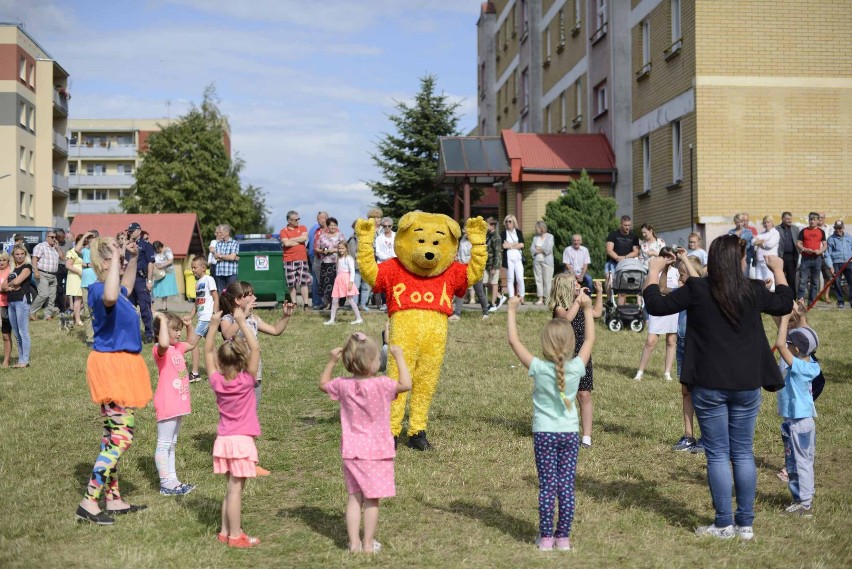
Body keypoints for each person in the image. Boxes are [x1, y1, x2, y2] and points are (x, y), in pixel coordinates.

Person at [643, 236, 793, 541]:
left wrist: (654, 270)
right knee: (742, 452)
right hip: (746, 383)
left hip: (709, 385)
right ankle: (745, 525)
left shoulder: (699, 289)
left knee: (718, 454)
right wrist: (779, 270)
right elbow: (784, 302)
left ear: (713, 259)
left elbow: (655, 305)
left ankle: (724, 523)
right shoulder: (752, 289)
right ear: (739, 261)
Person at [507, 291, 595, 552]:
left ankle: (546, 538)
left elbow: (514, 341)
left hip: (544, 434)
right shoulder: (578, 367)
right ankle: (563, 538)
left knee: (547, 487)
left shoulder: (538, 367)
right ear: (571, 344)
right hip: (569, 434)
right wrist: (587, 308)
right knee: (566, 487)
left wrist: (512, 309)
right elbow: (590, 337)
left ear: (544, 344)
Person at [76, 236, 153, 525]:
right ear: (103, 262)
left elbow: (126, 288)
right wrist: (116, 260)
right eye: (115, 258)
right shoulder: (98, 290)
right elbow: (110, 296)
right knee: (122, 436)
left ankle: (114, 498)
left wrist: (131, 259)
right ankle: (89, 501)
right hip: (111, 366)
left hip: (121, 365)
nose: (120, 262)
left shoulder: (115, 290)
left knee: (111, 436)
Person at [319, 332, 412, 554]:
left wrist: (331, 360)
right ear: (371, 363)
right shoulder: (383, 385)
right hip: (378, 451)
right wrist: (398, 357)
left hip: (351, 451)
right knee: (372, 500)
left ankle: (353, 544)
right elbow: (406, 384)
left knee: (354, 498)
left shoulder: (342, 385)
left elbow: (323, 384)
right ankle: (368, 544)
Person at [206, 308, 263, 548]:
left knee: (231, 488)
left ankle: (224, 530)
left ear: (220, 361)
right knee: (236, 490)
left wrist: (213, 325)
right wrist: (241, 320)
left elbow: (207, 350)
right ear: (243, 359)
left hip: (224, 440)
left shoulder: (217, 381)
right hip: (241, 442)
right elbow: (256, 349)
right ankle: (236, 535)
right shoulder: (247, 379)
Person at [548, 273, 604, 448]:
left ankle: (586, 436)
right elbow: (566, 320)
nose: (578, 285)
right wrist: (579, 301)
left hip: (582, 351)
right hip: (565, 353)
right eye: (574, 284)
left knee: (584, 393)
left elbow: (596, 313)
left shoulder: (579, 303)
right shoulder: (559, 307)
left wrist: (599, 293)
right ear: (565, 288)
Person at [774, 316, 820, 517]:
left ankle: (805, 504)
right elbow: (811, 339)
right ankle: (803, 499)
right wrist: (800, 316)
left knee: (799, 462)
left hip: (799, 423)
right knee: (801, 462)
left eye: (790, 344)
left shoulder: (799, 367)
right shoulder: (809, 364)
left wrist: (784, 320)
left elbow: (779, 344)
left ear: (797, 350)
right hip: (800, 421)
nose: (787, 345)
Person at [152, 311, 199, 496]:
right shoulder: (159, 349)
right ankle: (165, 483)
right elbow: (163, 342)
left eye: (179, 330)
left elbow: (193, 343)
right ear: (161, 331)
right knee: (164, 444)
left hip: (178, 404)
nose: (178, 334)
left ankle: (173, 481)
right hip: (167, 403)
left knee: (172, 443)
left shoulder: (177, 348)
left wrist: (188, 326)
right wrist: (162, 320)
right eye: (175, 330)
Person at [670, 253, 706, 453]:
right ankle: (688, 435)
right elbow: (662, 290)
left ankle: (706, 437)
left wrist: (684, 260)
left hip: (697, 348)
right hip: (683, 346)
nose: (679, 279)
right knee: (686, 392)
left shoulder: (700, 291)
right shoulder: (682, 292)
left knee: (700, 393)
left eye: (681, 275)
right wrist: (665, 268)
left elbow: (697, 280)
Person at [633, 246, 679, 381]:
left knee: (671, 340)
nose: (668, 259)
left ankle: (667, 373)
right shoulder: (654, 271)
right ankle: (640, 371)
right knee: (651, 341)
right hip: (657, 307)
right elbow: (645, 289)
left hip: (672, 308)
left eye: (670, 256)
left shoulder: (677, 272)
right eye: (665, 256)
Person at [0, 245, 33, 368]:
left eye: (22, 254)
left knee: (23, 331)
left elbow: (17, 281)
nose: (19, 256)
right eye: (17, 254)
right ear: (13, 255)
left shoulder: (27, 267)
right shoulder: (12, 268)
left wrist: (9, 285)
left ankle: (25, 360)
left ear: (25, 254)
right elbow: (2, 287)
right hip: (11, 302)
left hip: (21, 300)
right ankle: (21, 359)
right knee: (16, 333)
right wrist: (9, 286)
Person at [450, 225, 491, 321]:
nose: (465, 232)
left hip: (474, 269)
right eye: (465, 230)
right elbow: (460, 254)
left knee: (479, 291)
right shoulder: (463, 240)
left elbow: (478, 256)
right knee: (460, 291)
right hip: (462, 268)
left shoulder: (476, 242)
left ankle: (486, 312)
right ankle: (457, 314)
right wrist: (457, 259)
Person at [189, 257, 219, 382]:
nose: (193, 270)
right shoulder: (197, 283)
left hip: (207, 318)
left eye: (195, 267)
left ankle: (195, 374)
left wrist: (215, 314)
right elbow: (197, 302)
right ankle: (220, 372)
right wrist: (190, 316)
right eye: (192, 267)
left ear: (203, 267)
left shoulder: (209, 279)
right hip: (202, 317)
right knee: (211, 346)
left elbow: (216, 297)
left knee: (192, 344)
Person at [126, 222, 156, 343]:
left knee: (145, 307)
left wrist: (149, 280)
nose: (130, 233)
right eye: (129, 231)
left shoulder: (146, 245)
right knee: (129, 308)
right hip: (129, 280)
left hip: (140, 279)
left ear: (139, 231)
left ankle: (149, 333)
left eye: (132, 231)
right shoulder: (127, 245)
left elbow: (150, 263)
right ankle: (132, 333)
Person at [325, 242, 363, 325]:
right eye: (339, 248)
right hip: (338, 280)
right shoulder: (338, 258)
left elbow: (352, 271)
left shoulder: (349, 258)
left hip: (346, 280)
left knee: (350, 299)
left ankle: (359, 318)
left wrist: (351, 282)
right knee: (335, 300)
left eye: (342, 248)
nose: (340, 250)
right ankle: (332, 319)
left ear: (346, 248)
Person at [605, 215, 640, 305]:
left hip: (626, 263)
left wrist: (624, 258)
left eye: (629, 225)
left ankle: (621, 307)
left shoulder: (633, 237)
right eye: (625, 225)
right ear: (621, 224)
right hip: (612, 262)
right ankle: (609, 301)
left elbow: (636, 252)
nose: (627, 227)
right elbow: (609, 250)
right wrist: (617, 258)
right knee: (609, 280)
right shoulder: (613, 235)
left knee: (622, 286)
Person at [279, 210, 310, 310]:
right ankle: (294, 304)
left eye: (298, 219)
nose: (298, 221)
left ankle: (306, 305)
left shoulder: (303, 227)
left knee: (303, 283)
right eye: (295, 219)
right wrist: (298, 240)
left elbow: (304, 238)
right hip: (289, 260)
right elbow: (286, 244)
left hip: (302, 259)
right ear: (289, 220)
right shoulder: (283, 231)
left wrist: (291, 240)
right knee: (291, 284)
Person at [30, 229, 62, 321]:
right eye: (52, 237)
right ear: (46, 237)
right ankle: (31, 312)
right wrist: (35, 271)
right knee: (43, 294)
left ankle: (47, 315)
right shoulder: (41, 246)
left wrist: (58, 247)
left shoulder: (55, 248)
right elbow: (34, 260)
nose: (54, 239)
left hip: (53, 275)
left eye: (56, 237)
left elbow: (63, 258)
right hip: (42, 273)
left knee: (52, 296)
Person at [315, 217, 346, 310]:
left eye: (334, 225)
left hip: (338, 263)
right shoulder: (322, 236)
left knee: (338, 283)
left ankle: (338, 303)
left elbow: (345, 247)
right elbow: (317, 248)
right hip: (326, 262)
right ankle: (328, 303)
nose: (333, 227)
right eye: (331, 225)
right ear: (327, 226)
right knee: (327, 284)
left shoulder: (340, 235)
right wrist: (324, 251)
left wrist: (335, 250)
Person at [796, 212, 826, 304]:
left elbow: (825, 245)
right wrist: (804, 249)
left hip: (817, 259)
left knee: (815, 282)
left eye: (814, 220)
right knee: (802, 281)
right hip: (806, 259)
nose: (812, 221)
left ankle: (811, 302)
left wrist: (820, 251)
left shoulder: (821, 231)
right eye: (810, 219)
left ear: (818, 221)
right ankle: (801, 301)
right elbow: (798, 243)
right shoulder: (804, 231)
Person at [826, 220, 852, 308]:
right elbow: (827, 254)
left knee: (851, 281)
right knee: (837, 282)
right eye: (836, 228)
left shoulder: (849, 237)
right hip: (836, 263)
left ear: (843, 228)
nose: (838, 230)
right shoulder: (830, 239)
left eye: (840, 228)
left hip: (849, 263)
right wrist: (830, 266)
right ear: (834, 228)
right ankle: (840, 301)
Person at [501, 215, 525, 304]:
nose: (508, 223)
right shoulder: (503, 233)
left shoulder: (518, 232)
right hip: (508, 258)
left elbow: (522, 245)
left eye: (510, 221)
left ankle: (521, 296)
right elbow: (504, 246)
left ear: (514, 222)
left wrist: (510, 245)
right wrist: (515, 244)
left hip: (518, 258)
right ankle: (511, 296)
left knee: (520, 278)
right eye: (506, 221)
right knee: (510, 278)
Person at [80, 231, 98, 348]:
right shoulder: (84, 250)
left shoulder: (100, 251)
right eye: (89, 238)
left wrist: (87, 264)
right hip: (85, 284)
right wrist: (84, 236)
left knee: (97, 311)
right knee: (87, 312)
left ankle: (99, 335)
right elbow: (76, 249)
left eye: (92, 238)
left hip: (97, 284)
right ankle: (90, 338)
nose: (90, 240)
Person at [530, 221, 555, 305]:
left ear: (542, 228)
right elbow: (532, 249)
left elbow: (548, 249)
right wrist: (540, 249)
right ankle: (540, 298)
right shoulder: (535, 238)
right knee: (538, 280)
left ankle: (547, 298)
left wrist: (538, 248)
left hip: (547, 262)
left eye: (537, 227)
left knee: (547, 280)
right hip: (537, 261)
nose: (536, 229)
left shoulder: (550, 236)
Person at [308, 212, 329, 310]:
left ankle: (327, 302)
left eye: (321, 218)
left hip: (329, 258)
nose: (319, 220)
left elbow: (331, 245)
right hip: (316, 257)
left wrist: (324, 250)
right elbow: (314, 245)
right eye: (318, 218)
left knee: (327, 281)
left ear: (326, 219)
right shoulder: (315, 229)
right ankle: (317, 302)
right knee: (317, 281)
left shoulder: (331, 229)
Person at [754, 215, 780, 287]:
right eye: (764, 222)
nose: (766, 224)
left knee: (769, 282)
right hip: (759, 261)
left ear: (772, 223)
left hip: (769, 261)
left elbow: (769, 245)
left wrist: (759, 242)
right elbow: (753, 242)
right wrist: (763, 241)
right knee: (759, 282)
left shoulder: (775, 233)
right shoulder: (761, 234)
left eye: (768, 222)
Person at [65, 233, 85, 326]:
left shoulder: (84, 252)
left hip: (83, 277)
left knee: (83, 298)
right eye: (83, 244)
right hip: (75, 276)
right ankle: (77, 319)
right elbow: (68, 265)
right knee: (78, 298)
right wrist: (79, 271)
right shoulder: (73, 252)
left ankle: (75, 314)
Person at [152, 241, 179, 311]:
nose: (157, 250)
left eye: (158, 249)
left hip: (167, 272)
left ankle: (164, 306)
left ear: (160, 246)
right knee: (157, 290)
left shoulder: (167, 250)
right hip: (158, 273)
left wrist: (161, 265)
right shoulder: (155, 253)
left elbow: (171, 260)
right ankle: (159, 306)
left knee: (165, 290)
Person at [213, 224, 240, 293]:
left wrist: (221, 256)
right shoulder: (218, 244)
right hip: (219, 273)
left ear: (227, 233)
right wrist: (229, 257)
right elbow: (216, 257)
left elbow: (232, 257)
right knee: (221, 294)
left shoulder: (234, 243)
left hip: (231, 273)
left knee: (232, 294)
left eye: (221, 232)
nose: (219, 234)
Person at [484, 217, 503, 311]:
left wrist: (495, 267)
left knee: (494, 283)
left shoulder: (496, 237)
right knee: (485, 283)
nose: (485, 226)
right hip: (486, 264)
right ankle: (500, 297)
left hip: (493, 264)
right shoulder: (487, 235)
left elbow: (497, 253)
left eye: (486, 224)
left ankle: (493, 304)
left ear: (492, 226)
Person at [777, 211, 800, 289]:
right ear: (783, 219)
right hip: (781, 256)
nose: (790, 220)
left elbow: (799, 242)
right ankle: (781, 296)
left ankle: (793, 297)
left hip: (792, 257)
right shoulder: (777, 229)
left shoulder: (795, 229)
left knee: (791, 278)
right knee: (780, 277)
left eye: (791, 219)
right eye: (788, 219)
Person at [728, 214, 754, 278]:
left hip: (744, 258)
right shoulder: (731, 232)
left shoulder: (748, 232)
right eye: (737, 222)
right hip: (733, 259)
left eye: (741, 222)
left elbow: (745, 245)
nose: (740, 224)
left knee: (744, 278)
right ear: (735, 223)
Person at [54, 228, 72, 313]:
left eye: (64, 237)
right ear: (57, 237)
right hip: (57, 267)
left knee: (68, 287)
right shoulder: (53, 244)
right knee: (59, 288)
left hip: (67, 266)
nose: (63, 239)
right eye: (61, 237)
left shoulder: (68, 243)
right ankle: (61, 307)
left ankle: (68, 305)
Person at [0, 252, 12, 367]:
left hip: (5, 305)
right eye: (0, 260)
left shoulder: (11, 272)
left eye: (3, 260)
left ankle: (6, 360)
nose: (1, 262)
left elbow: (9, 288)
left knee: (6, 335)